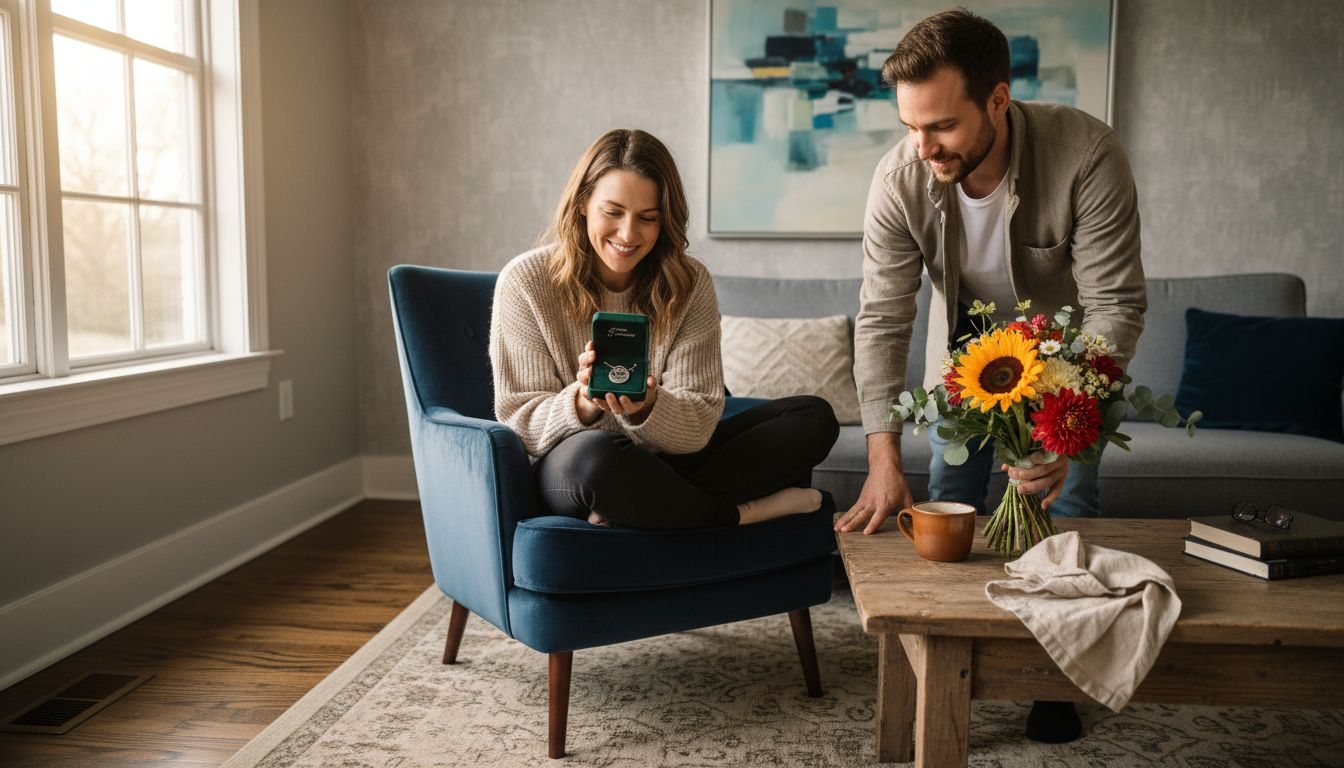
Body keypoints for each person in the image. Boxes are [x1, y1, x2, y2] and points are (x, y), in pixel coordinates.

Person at [833, 9, 1146, 743]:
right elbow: (883, 318)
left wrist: (1066, 433)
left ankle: (1056, 680)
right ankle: (956, 674)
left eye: (939, 125)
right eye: (911, 126)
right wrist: (884, 457)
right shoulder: (900, 176)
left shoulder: (1088, 153)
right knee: (952, 518)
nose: (922, 145)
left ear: (998, 101)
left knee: (1064, 518)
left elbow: (1115, 304)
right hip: (967, 357)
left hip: (1070, 363)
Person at [490, 128, 839, 530]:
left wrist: (650, 405)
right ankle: (734, 516)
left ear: (665, 220)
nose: (627, 234)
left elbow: (699, 423)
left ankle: (641, 507)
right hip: (576, 465)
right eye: (613, 211)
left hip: (666, 460)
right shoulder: (526, 282)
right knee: (600, 456)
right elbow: (520, 422)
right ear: (584, 203)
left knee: (813, 417)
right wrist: (584, 401)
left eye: (648, 218)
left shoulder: (689, 284)